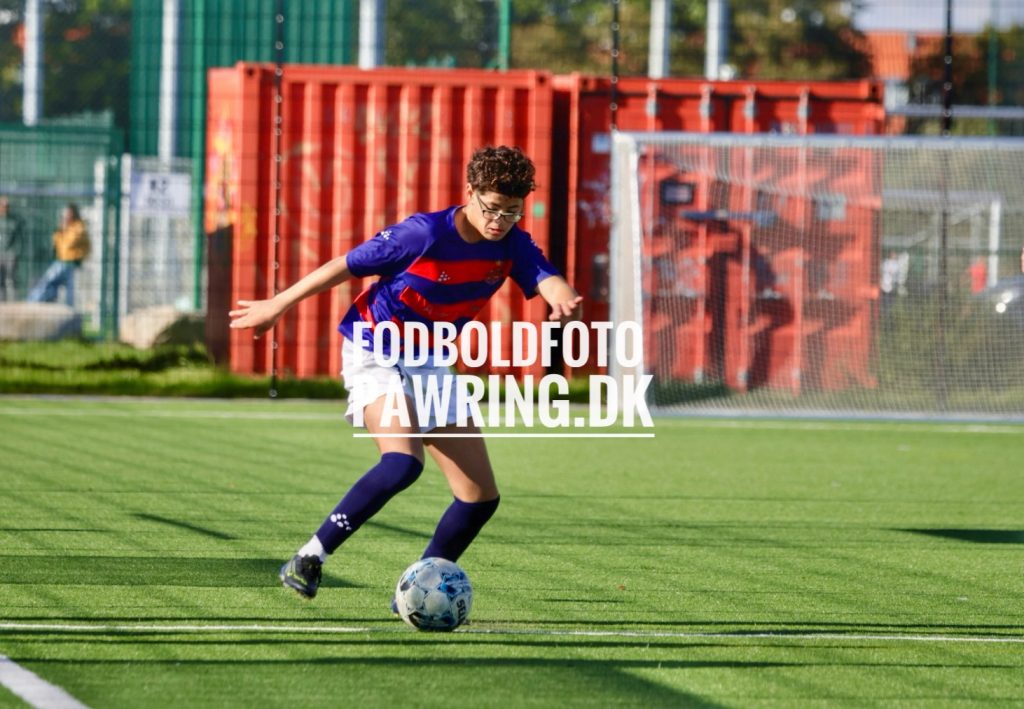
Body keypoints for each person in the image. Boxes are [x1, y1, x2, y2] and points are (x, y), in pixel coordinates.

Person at [229, 146, 582, 606]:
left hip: (430, 358)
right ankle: (309, 557)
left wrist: (564, 301)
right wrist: (277, 304)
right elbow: (344, 265)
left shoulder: (512, 242)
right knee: (402, 463)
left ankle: (418, 589)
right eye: (492, 208)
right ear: (470, 192)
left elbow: (549, 279)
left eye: (512, 211)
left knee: (479, 497)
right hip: (375, 348)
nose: (499, 221)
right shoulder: (422, 234)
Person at [27, 203, 90, 306]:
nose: (65, 217)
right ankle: (34, 301)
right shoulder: (64, 228)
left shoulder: (78, 227)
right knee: (49, 282)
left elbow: (68, 244)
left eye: (68, 214)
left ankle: (33, 301)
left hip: (71, 263)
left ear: (73, 214)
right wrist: (62, 230)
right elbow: (56, 242)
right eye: (64, 215)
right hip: (62, 262)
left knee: (64, 287)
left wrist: (64, 230)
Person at [0, 196, 25, 301]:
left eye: (7, 206)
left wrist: (16, 253)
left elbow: (19, 239)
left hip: (10, 254)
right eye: (3, 205)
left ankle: (13, 302)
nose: (5, 208)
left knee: (11, 279)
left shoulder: (14, 221)